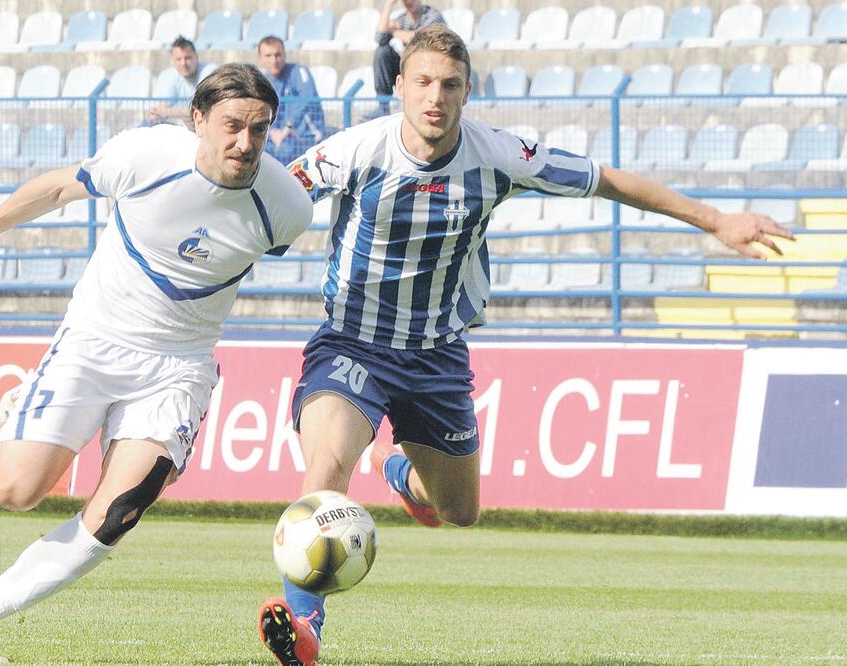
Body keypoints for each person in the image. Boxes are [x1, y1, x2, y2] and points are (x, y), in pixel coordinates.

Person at [257, 25, 794, 666]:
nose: (436, 98)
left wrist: (720, 221)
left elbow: (608, 181)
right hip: (353, 344)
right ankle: (306, 625)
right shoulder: (352, 153)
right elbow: (263, 201)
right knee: (324, 476)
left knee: (458, 511)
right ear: (398, 87)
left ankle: (396, 469)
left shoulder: (499, 154)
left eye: (450, 85)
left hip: (437, 354)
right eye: (422, 82)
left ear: (467, 90)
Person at [0, 63, 314, 664]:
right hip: (95, 340)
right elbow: (56, 189)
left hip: (179, 367)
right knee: (14, 490)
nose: (245, 143)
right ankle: (28, 405)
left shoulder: (286, 206)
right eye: (232, 125)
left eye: (259, 130)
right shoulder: (147, 155)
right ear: (198, 120)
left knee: (119, 512)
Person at [256, 35, 326, 165]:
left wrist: (288, 127)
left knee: (284, 153)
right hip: (279, 138)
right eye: (268, 56)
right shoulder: (263, 81)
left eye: (278, 55)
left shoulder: (299, 71)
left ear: (284, 55)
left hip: (305, 138)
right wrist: (271, 132)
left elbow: (306, 100)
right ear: (260, 59)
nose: (274, 60)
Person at [371, 0, 445, 117]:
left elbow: (421, 39)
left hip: (431, 68)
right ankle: (383, 105)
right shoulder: (402, 18)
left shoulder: (433, 15)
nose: (409, 2)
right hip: (410, 66)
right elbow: (380, 38)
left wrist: (394, 31)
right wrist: (388, 5)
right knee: (382, 52)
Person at [145, 36, 217, 127]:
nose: (183, 63)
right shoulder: (167, 75)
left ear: (196, 57)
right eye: (178, 59)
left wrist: (168, 112)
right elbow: (155, 110)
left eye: (188, 58)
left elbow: (201, 109)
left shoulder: (210, 71)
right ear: (173, 61)